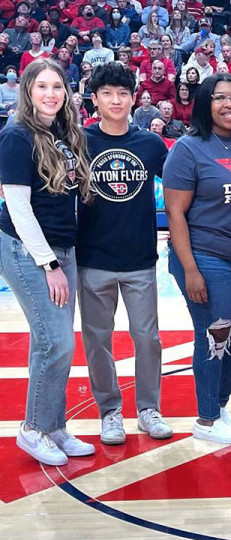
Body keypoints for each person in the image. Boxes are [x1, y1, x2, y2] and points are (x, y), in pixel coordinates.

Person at [163, 73, 231, 445]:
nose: (229, 104)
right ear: (205, 104)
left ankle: (218, 405)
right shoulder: (187, 149)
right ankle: (206, 419)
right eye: (219, 98)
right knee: (215, 334)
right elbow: (175, 213)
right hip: (204, 257)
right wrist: (190, 269)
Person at [0, 59, 94, 465]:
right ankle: (33, 428)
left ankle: (53, 425)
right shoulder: (16, 135)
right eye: (42, 86)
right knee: (56, 341)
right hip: (29, 251)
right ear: (27, 91)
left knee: (52, 342)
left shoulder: (63, 132)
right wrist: (49, 265)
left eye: (58, 86)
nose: (51, 94)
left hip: (62, 247)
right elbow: (19, 208)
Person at [77, 62, 173, 445]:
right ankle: (110, 412)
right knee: (97, 340)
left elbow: (180, 187)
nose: (115, 100)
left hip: (140, 259)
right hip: (92, 259)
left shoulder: (150, 144)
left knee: (148, 338)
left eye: (122, 93)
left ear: (134, 99)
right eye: (107, 94)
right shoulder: (80, 142)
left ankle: (149, 409)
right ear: (95, 99)